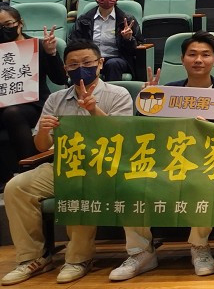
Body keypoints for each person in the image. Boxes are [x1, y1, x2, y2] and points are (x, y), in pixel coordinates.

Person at [0, 41, 137, 285]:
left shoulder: (118, 94)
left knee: (77, 183)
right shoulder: (56, 99)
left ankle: (78, 259)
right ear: (65, 68)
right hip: (63, 163)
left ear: (100, 64)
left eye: (87, 62)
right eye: (73, 64)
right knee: (16, 187)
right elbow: (42, 146)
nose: (80, 68)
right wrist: (44, 130)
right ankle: (33, 257)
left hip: (105, 167)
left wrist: (94, 111)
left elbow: (121, 138)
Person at [146, 32, 214, 276]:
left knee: (204, 181)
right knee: (131, 181)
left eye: (205, 55)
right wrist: (148, 103)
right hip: (170, 161)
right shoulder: (166, 92)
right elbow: (149, 133)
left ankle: (199, 246)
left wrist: (210, 127)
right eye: (192, 54)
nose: (198, 60)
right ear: (182, 59)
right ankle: (140, 252)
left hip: (209, 162)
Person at [0, 6, 66, 184]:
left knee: (12, 113)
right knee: (8, 112)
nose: (4, 30)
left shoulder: (38, 46)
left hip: (34, 104)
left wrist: (51, 53)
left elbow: (60, 79)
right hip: (3, 104)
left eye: (8, 24)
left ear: (20, 23)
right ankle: (4, 178)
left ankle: (31, 171)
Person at [68, 0, 143, 81]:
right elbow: (73, 42)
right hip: (91, 58)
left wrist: (128, 39)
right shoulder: (84, 19)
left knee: (113, 64)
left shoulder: (127, 20)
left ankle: (112, 91)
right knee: (85, 64)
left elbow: (138, 47)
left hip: (117, 59)